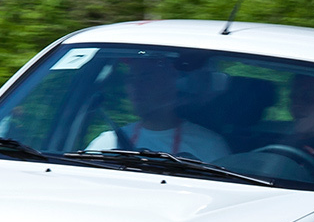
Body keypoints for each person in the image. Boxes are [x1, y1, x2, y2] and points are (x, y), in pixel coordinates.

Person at [87, 55, 232, 162]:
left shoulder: (207, 146)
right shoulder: (107, 144)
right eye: (131, 78)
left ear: (173, 83)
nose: (136, 86)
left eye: (146, 77)